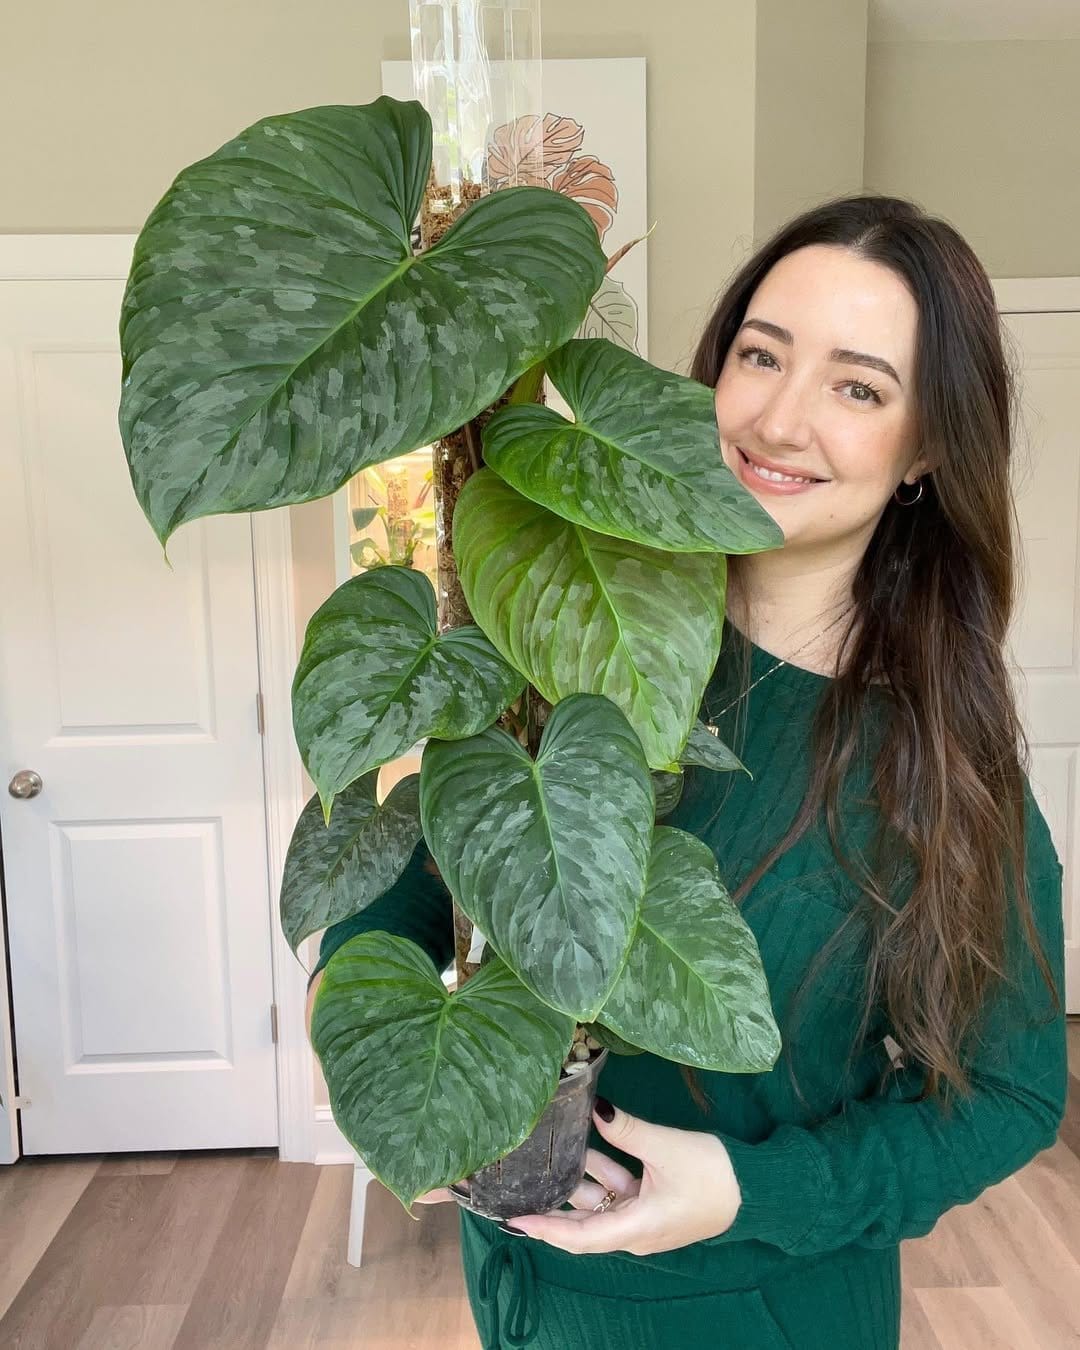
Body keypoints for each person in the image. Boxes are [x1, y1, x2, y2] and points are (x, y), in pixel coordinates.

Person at [305, 193, 1066, 1349]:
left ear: (926, 452)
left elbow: (1009, 1095)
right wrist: (367, 1029)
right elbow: (424, 867)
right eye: (761, 355)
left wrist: (749, 1192)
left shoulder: (932, 758)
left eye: (858, 386)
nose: (780, 418)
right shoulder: (568, 629)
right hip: (520, 1298)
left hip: (759, 1313)